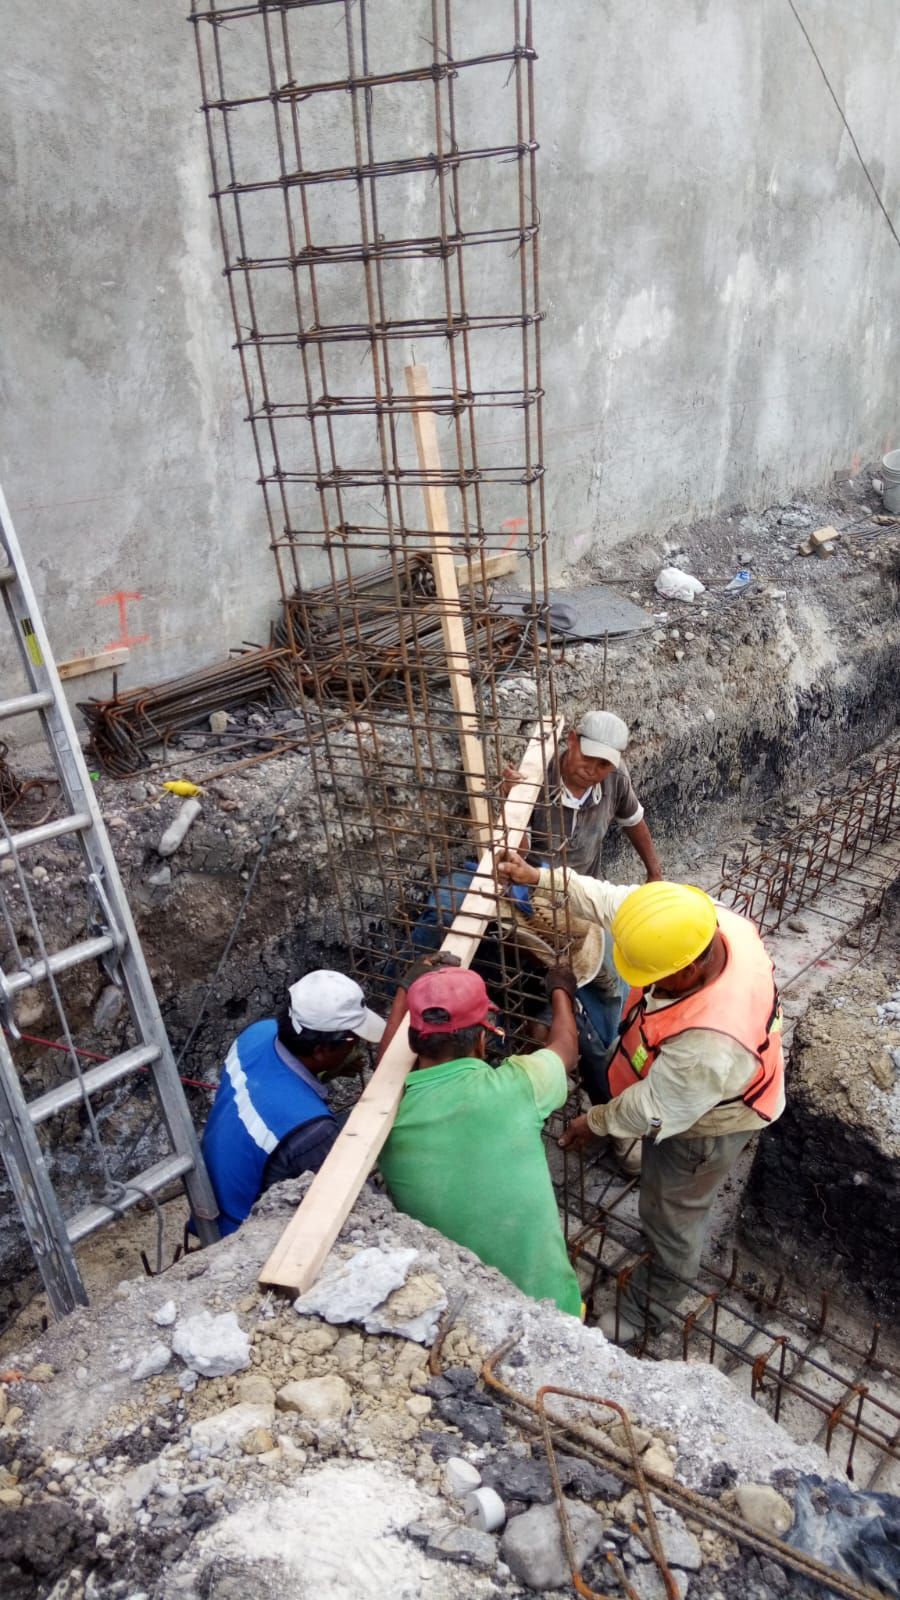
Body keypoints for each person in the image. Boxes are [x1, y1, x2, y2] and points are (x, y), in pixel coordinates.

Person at [496, 852, 785, 1344]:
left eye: (656, 977)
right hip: (673, 1081)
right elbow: (613, 903)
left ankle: (642, 1313)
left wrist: (596, 1121)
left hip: (707, 1126)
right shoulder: (691, 922)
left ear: (691, 968)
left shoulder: (713, 1044)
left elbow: (653, 1108)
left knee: (673, 1222)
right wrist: (539, 878)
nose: (645, 983)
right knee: (653, 1185)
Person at [378, 960, 583, 1316]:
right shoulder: (516, 1087)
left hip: (461, 1314)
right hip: (549, 1308)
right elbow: (566, 1046)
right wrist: (561, 990)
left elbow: (386, 1070)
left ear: (413, 1039)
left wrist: (403, 991)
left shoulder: (385, 1118)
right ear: (483, 1038)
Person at [505, 711, 662, 1095]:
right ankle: (573, 1050)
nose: (592, 770)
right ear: (571, 740)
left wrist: (655, 873)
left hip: (582, 896)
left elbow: (634, 821)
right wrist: (510, 804)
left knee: (604, 973)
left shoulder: (615, 783)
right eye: (588, 758)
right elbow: (514, 850)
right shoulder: (536, 780)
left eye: (604, 764)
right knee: (599, 975)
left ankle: (586, 1043)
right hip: (531, 893)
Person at [201, 970, 385, 1235]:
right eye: (352, 1040)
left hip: (219, 1194)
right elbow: (351, 1207)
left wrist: (330, 1072)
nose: (356, 1047)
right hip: (242, 1234)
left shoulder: (256, 1034)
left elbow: (273, 1081)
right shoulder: (312, 1132)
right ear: (320, 1051)